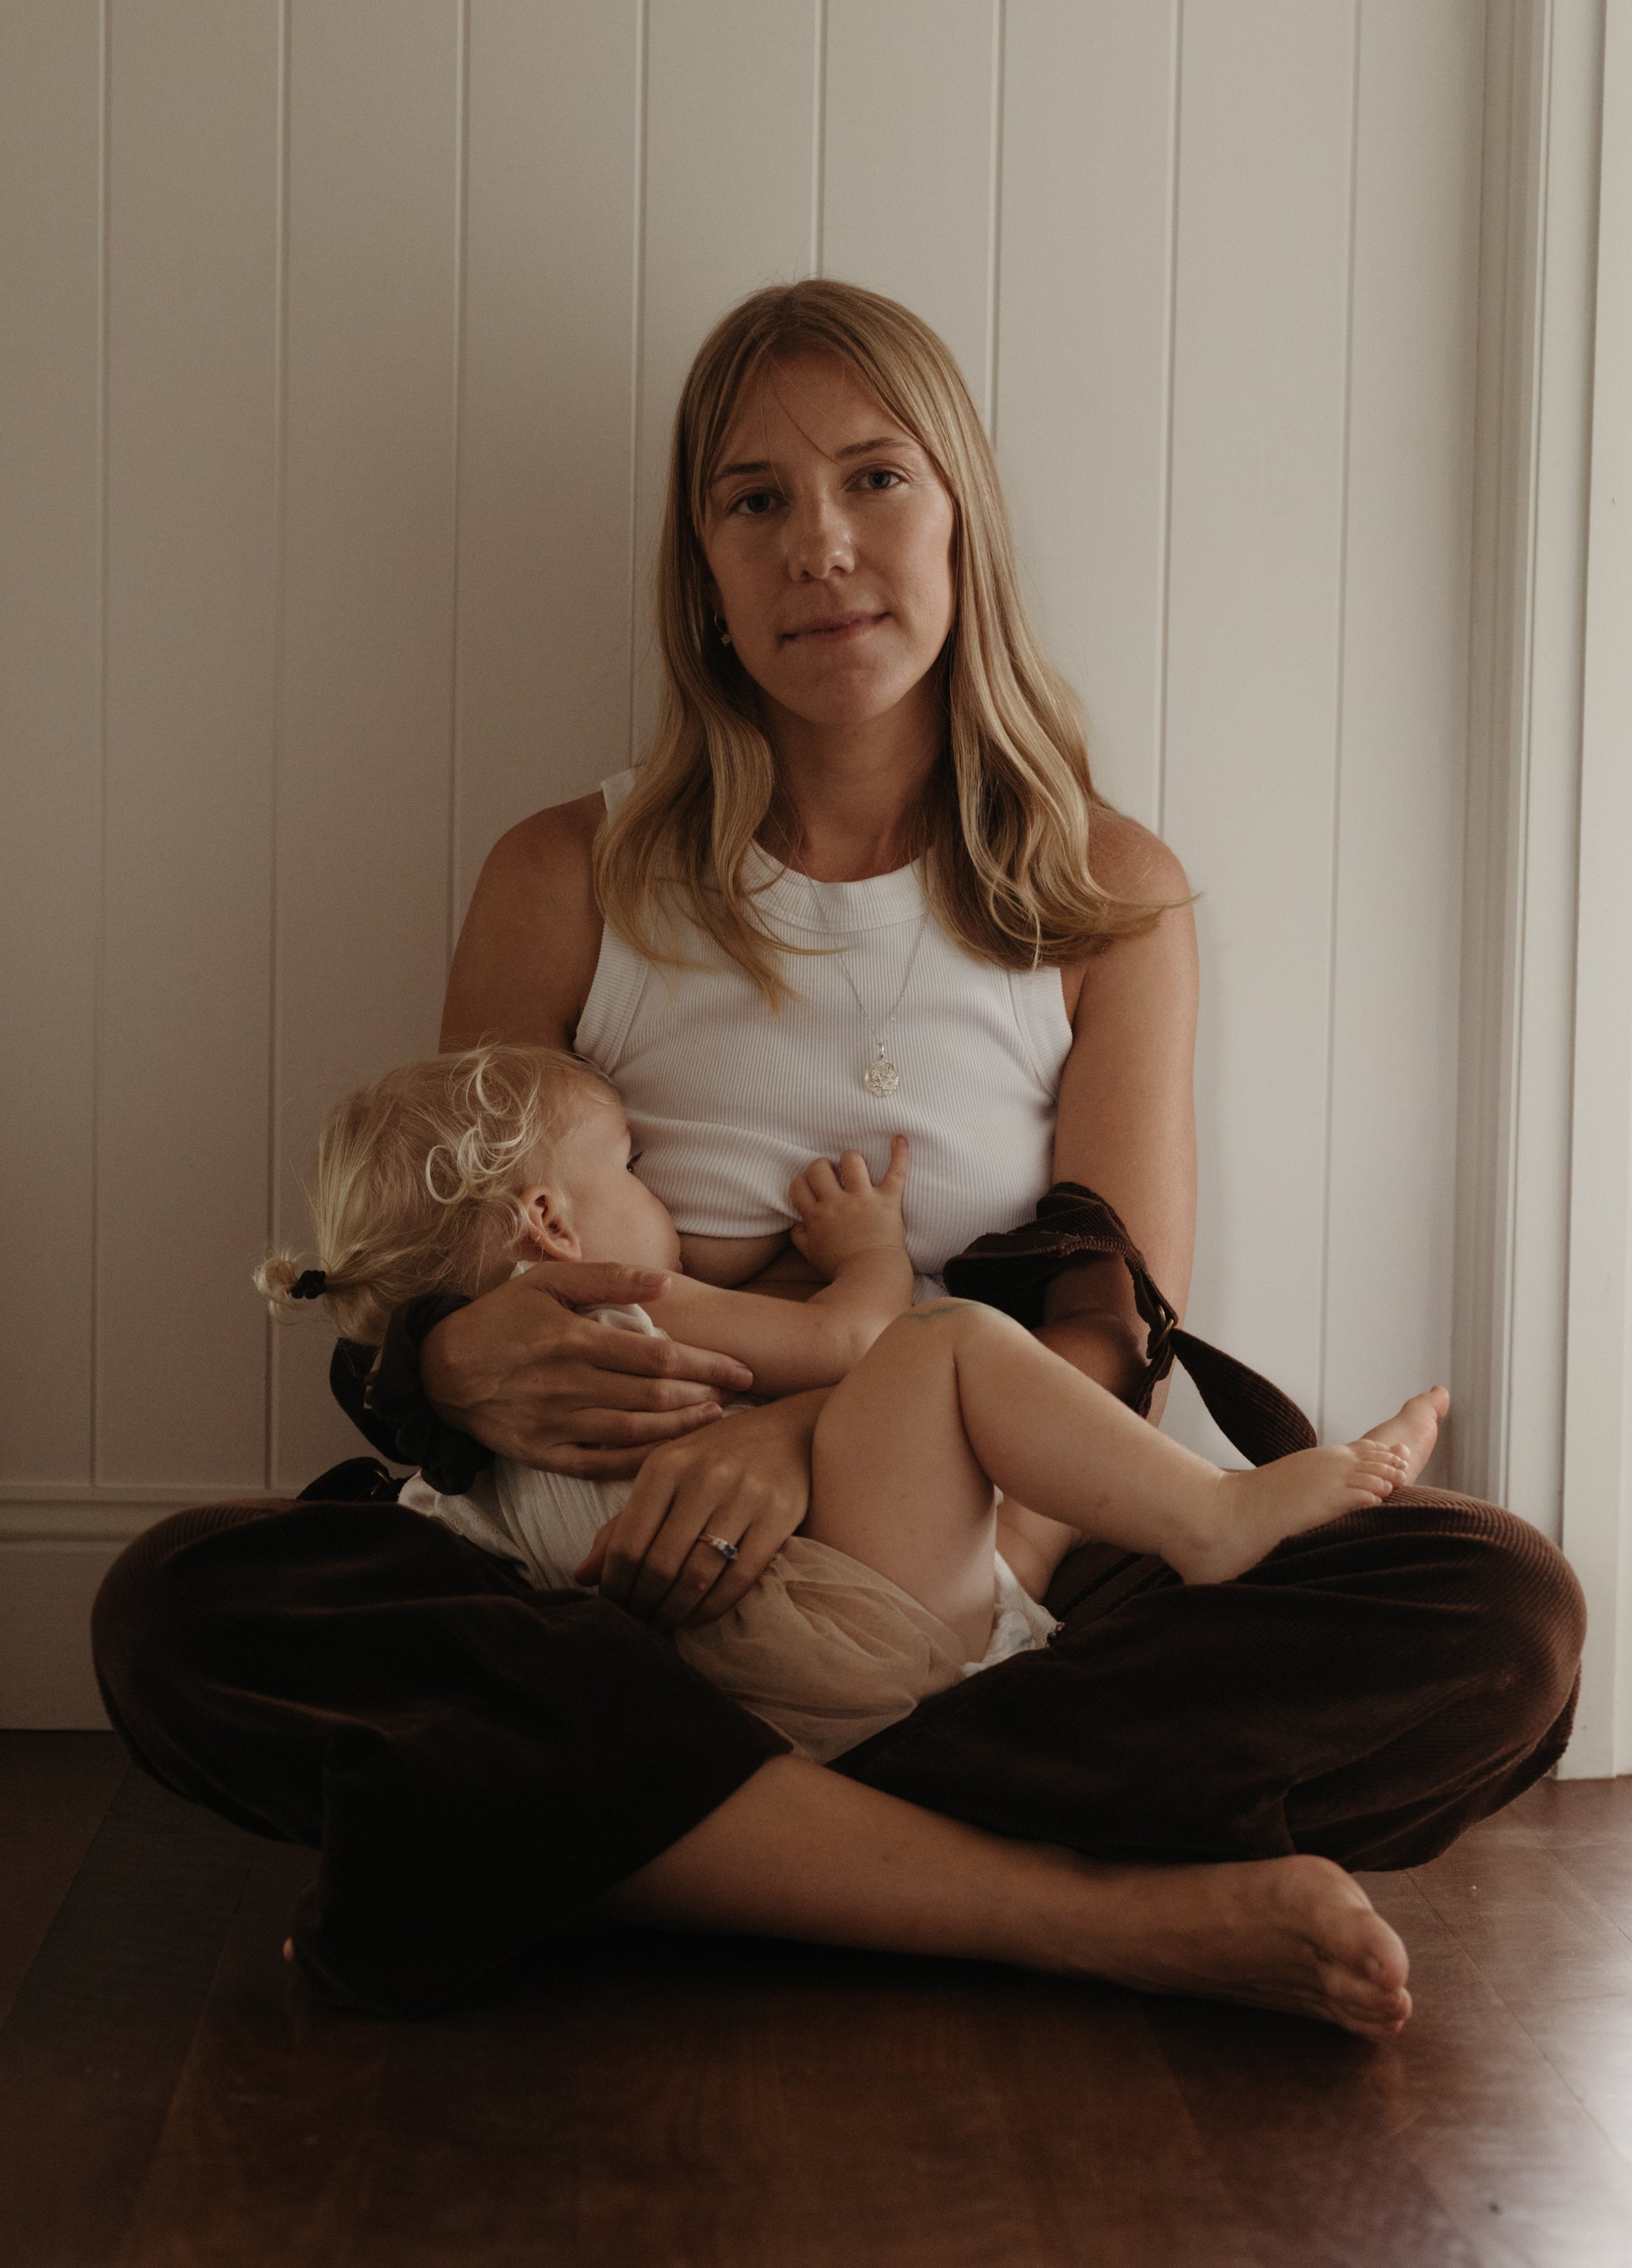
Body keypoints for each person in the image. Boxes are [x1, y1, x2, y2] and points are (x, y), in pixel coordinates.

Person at [93, 279, 1584, 2040]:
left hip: (982, 1583)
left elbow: (1108, 1342)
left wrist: (810, 1450)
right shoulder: (564, 872)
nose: (820, 544)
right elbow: (438, 1243)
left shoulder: (1105, 893)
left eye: (874, 478)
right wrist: (445, 1356)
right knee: (184, 1603)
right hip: (608, 1586)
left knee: (1497, 1610)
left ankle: (620, 1849)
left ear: (961, 522)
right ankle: (1068, 1911)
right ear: (704, 577)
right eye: (754, 501)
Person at [257, 1042, 1445, 1767]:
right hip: (831, 1616)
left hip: (712, 1699)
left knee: (1484, 1586)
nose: (650, 1186)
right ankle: (1215, 1516)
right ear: (550, 1223)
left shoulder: (444, 1471)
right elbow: (858, 1342)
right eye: (626, 1164)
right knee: (954, 1343)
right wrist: (870, 1246)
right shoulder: (618, 1301)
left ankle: (782, 1846)